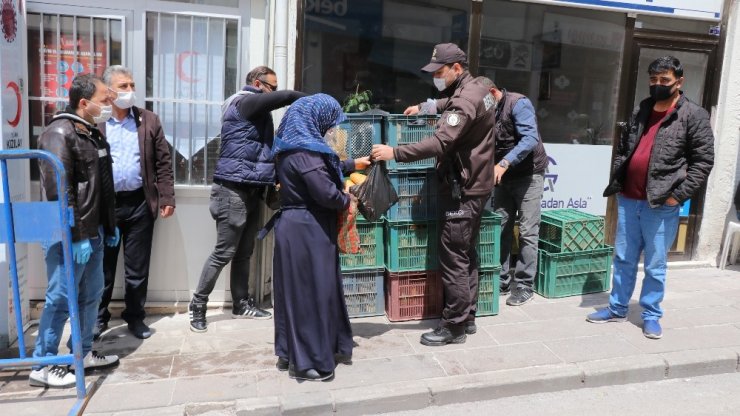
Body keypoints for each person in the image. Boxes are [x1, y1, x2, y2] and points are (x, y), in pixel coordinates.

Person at [372, 43, 495, 346]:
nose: (436, 78)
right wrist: (427, 106)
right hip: (478, 183)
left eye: (440, 72)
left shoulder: (465, 99)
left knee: (453, 256)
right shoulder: (479, 87)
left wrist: (395, 152)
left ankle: (453, 326)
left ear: (456, 68)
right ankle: (467, 316)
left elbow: (440, 142)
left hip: (463, 188)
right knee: (466, 252)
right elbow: (453, 104)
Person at [588, 56, 714, 339]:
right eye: (653, 79)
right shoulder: (642, 109)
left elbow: (703, 162)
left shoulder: (694, 115)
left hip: (660, 204)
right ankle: (618, 308)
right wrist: (620, 178)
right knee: (623, 258)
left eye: (664, 80)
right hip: (629, 199)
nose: (658, 85)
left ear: (679, 82)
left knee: (655, 264)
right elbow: (625, 146)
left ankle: (651, 315)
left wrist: (677, 196)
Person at [188, 66, 305, 332]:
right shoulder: (245, 101)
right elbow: (285, 97)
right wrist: (310, 98)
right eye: (271, 87)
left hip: (251, 188)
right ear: (257, 83)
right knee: (224, 252)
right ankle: (198, 304)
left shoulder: (254, 108)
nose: (273, 91)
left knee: (245, 252)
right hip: (231, 190)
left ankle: (241, 303)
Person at [267, 93, 370, 381]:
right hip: (307, 229)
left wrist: (351, 165)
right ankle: (307, 362)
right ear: (316, 120)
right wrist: (345, 197)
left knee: (298, 291)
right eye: (330, 123)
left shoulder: (294, 146)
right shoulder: (305, 153)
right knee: (310, 293)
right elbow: (325, 192)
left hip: (301, 227)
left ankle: (289, 352)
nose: (332, 129)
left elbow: (324, 170)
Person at [33, 73, 120, 388]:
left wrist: (109, 226)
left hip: (93, 230)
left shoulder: (92, 133)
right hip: (68, 234)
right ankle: (44, 363)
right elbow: (60, 191)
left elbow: (102, 187)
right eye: (104, 100)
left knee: (91, 294)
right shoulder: (59, 132)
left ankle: (80, 352)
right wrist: (78, 235)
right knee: (60, 297)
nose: (109, 105)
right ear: (84, 102)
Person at [95, 65, 176, 340]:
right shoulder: (97, 121)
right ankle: (98, 318)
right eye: (123, 86)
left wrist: (166, 197)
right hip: (105, 207)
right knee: (103, 267)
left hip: (140, 204)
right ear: (108, 91)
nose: (130, 91)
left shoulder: (148, 120)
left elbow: (163, 161)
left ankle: (135, 317)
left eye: (132, 85)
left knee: (137, 268)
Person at [478, 77, 548, 306]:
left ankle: (525, 284)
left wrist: (504, 163)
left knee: (528, 231)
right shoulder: (488, 110)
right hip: (503, 177)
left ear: (492, 92)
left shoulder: (518, 103)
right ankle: (501, 279)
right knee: (501, 227)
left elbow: (529, 138)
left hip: (529, 175)